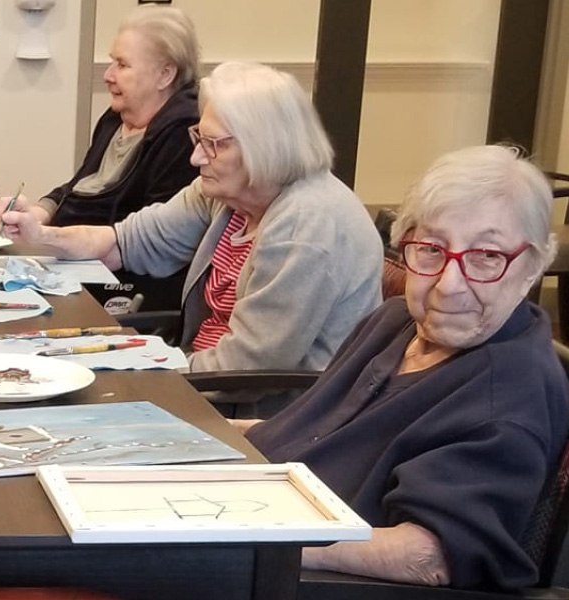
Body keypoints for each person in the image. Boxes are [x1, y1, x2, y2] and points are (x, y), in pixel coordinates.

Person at [240, 145, 569, 589]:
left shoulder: (508, 395)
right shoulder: (394, 322)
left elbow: (428, 554)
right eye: (431, 248)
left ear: (532, 268)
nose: (449, 286)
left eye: (487, 256)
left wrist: (255, 543)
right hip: (244, 511)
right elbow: (313, 432)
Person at [0, 62, 384, 376]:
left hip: (263, 414)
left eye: (212, 145)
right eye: (200, 138)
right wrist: (40, 234)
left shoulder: (305, 226)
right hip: (201, 375)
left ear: (264, 148)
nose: (196, 158)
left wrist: (139, 369)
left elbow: (249, 368)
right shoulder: (228, 193)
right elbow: (125, 242)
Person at [0, 4, 201, 313]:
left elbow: (147, 241)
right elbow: (78, 185)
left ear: (165, 74)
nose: (107, 75)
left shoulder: (182, 134)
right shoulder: (115, 119)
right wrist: (37, 212)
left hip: (116, 287)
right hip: (68, 261)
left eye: (122, 64)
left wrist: (46, 237)